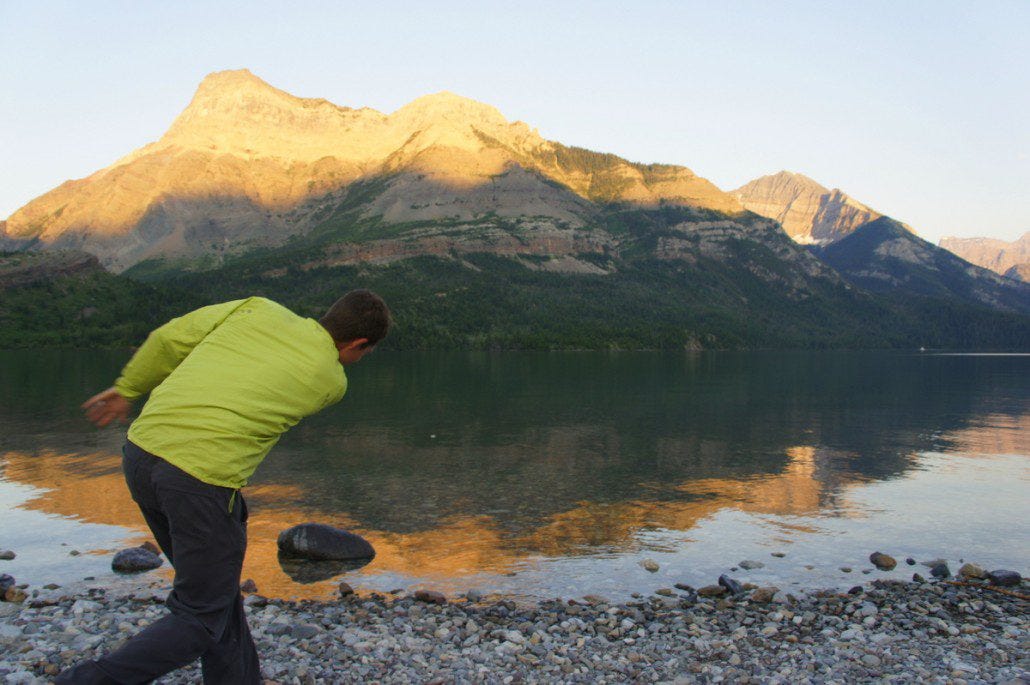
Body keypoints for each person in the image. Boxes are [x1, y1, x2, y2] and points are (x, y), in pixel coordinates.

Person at [57, 290, 391, 684]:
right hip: (198, 480)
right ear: (358, 344)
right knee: (200, 616)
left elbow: (168, 340)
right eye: (364, 354)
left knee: (217, 597)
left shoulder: (256, 308)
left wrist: (128, 388)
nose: (358, 361)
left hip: (142, 452)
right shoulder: (331, 381)